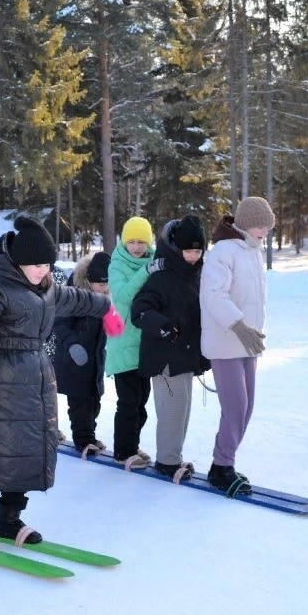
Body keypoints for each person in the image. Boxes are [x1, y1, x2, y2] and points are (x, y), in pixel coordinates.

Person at [0, 216, 124, 554]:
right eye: (35, 264)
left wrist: (106, 308)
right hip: (0, 385)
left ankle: (9, 519)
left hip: (36, 382)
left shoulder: (48, 289)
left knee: (29, 453)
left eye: (46, 263)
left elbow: (80, 299)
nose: (41, 270)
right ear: (19, 262)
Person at [199, 197, 275, 495]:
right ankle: (221, 467)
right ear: (244, 223)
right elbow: (213, 295)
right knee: (235, 406)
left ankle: (225, 462)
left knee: (247, 407)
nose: (264, 232)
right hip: (226, 341)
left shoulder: (253, 252)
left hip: (248, 342)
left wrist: (252, 331)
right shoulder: (224, 251)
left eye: (267, 227)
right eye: (259, 226)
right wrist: (239, 326)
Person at [130, 215, 211, 482]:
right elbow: (139, 310)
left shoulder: (197, 274)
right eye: (188, 250)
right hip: (164, 356)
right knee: (171, 410)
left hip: (185, 356)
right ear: (177, 248)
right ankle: (167, 461)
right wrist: (162, 326)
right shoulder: (162, 276)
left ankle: (172, 456)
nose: (192, 256)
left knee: (183, 409)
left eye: (197, 251)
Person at [105, 216, 156, 467]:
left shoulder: (155, 261)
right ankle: (123, 451)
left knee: (142, 401)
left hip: (145, 345)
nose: (136, 247)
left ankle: (132, 444)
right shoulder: (116, 265)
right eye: (132, 242)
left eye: (141, 242)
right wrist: (146, 272)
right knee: (128, 402)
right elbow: (123, 295)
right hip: (123, 344)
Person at [52, 251, 111, 455]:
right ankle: (83, 440)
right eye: (99, 284)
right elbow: (59, 323)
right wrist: (72, 344)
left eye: (106, 284)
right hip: (73, 360)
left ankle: (90, 436)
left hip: (94, 360)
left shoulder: (104, 300)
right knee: (80, 402)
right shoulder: (75, 296)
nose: (103, 288)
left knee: (94, 401)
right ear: (88, 280)